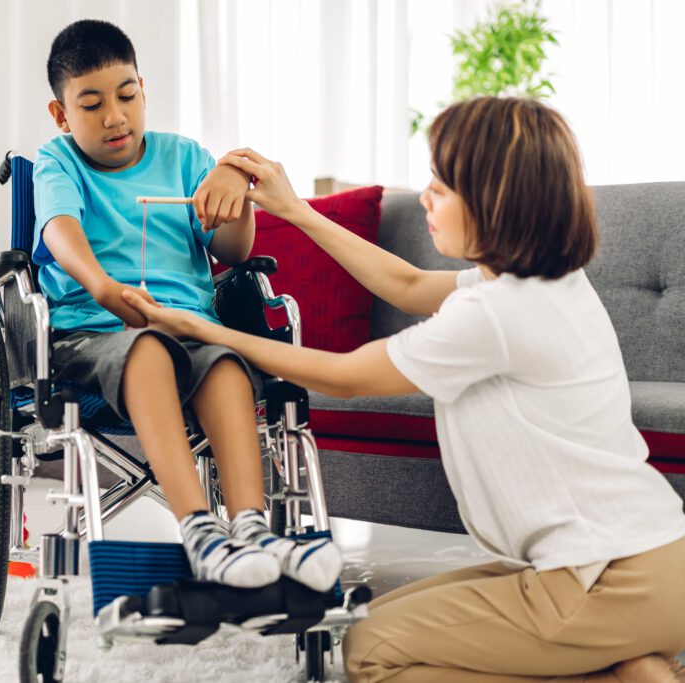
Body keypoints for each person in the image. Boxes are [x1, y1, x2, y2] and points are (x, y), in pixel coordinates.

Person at [122, 97, 685, 682]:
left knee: (369, 654)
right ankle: (632, 661)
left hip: (611, 577)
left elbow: (346, 375)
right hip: (639, 560)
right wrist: (298, 212)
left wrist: (200, 328)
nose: (424, 198)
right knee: (365, 621)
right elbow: (408, 282)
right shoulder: (538, 282)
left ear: (495, 200)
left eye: (441, 186)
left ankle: (618, 673)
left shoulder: (499, 313)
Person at [32, 19, 343, 592]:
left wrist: (235, 195)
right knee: (148, 348)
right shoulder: (58, 162)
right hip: (97, 329)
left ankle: (249, 527)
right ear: (62, 114)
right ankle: (200, 532)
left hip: (193, 328)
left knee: (224, 362)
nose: (115, 116)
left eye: (127, 95)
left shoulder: (185, 157)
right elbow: (58, 228)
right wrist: (102, 286)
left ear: (143, 89)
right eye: (92, 104)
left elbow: (232, 250)